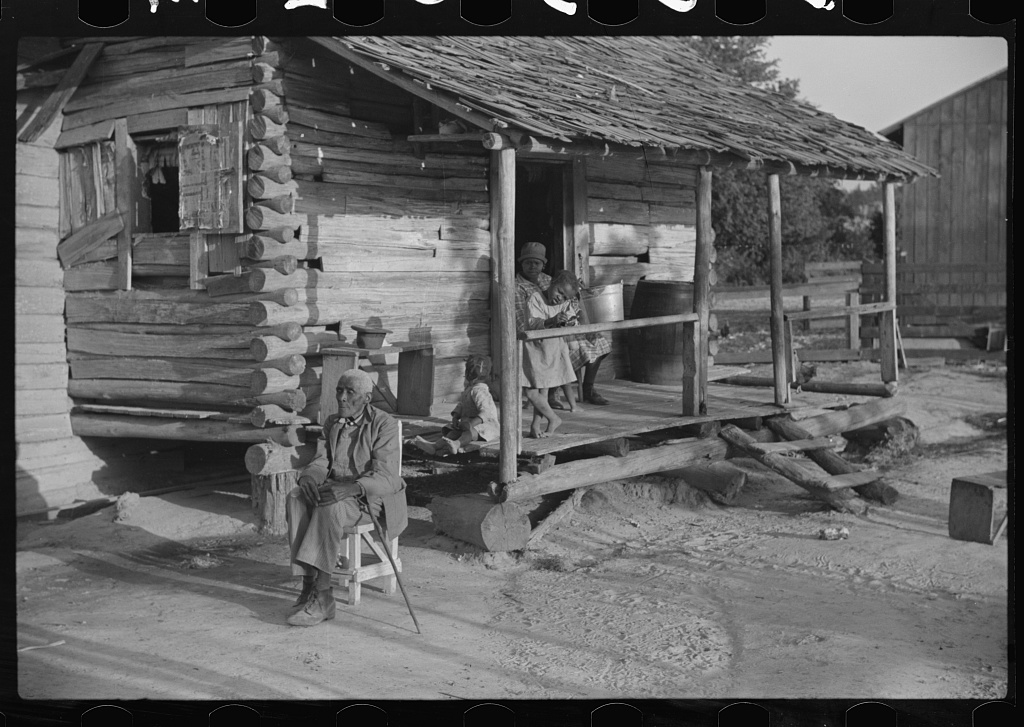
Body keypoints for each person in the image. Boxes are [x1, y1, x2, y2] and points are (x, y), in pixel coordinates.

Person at [285, 368, 408, 627]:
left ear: (366, 398)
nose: (341, 397)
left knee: (330, 508)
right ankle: (308, 584)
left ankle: (324, 597)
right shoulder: (332, 422)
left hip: (368, 499)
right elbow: (322, 460)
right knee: (296, 499)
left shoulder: (383, 424)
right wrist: (309, 477)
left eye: (349, 392)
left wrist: (352, 488)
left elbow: (387, 477)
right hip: (335, 489)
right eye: (339, 390)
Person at [515, 242, 612, 406]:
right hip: (537, 335)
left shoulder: (548, 279)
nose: (532, 266)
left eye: (537, 263)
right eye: (527, 262)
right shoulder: (517, 286)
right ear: (521, 263)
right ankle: (552, 391)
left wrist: (577, 322)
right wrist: (552, 323)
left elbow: (569, 301)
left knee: (599, 341)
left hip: (560, 329)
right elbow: (521, 321)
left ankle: (588, 388)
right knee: (567, 349)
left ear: (543, 264)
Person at [521, 270, 581, 437]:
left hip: (552, 350)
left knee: (542, 392)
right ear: (552, 283)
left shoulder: (565, 304)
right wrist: (552, 321)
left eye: (564, 297)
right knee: (531, 391)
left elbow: (572, 322)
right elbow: (533, 323)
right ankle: (553, 418)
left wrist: (570, 321)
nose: (560, 298)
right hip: (535, 350)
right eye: (559, 292)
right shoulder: (535, 298)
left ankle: (535, 426)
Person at [414, 354, 500, 456]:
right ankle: (435, 446)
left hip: (486, 426)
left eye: (468, 372)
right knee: (453, 433)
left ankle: (456, 444)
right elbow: (462, 404)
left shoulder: (480, 391)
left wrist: (471, 424)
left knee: (468, 433)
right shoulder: (470, 389)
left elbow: (486, 413)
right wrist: (456, 416)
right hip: (469, 422)